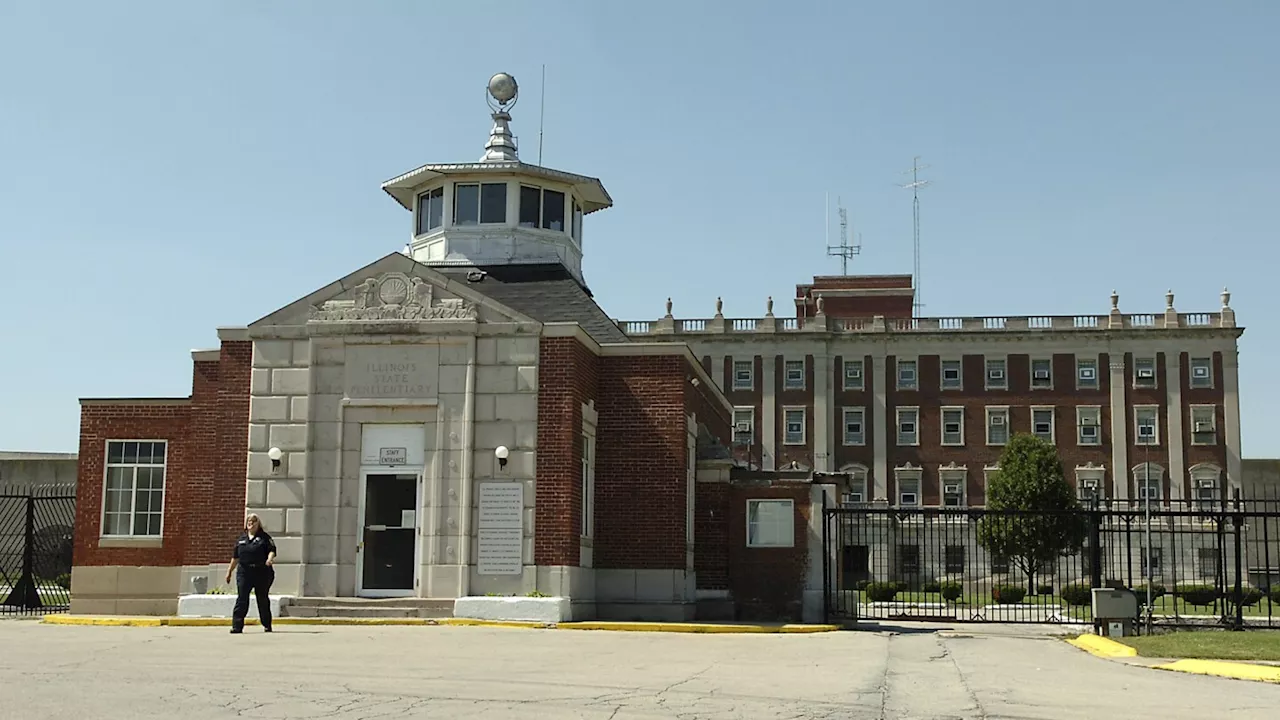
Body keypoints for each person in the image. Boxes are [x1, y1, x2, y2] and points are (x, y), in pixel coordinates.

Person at [225, 513, 276, 634]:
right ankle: (237, 626)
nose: (251, 523)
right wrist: (229, 572)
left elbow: (272, 550)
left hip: (261, 572)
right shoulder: (241, 540)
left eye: (254, 521)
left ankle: (267, 624)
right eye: (249, 521)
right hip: (244, 572)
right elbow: (235, 557)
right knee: (242, 598)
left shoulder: (264, 538)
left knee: (262, 598)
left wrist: (269, 559)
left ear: (258, 524)